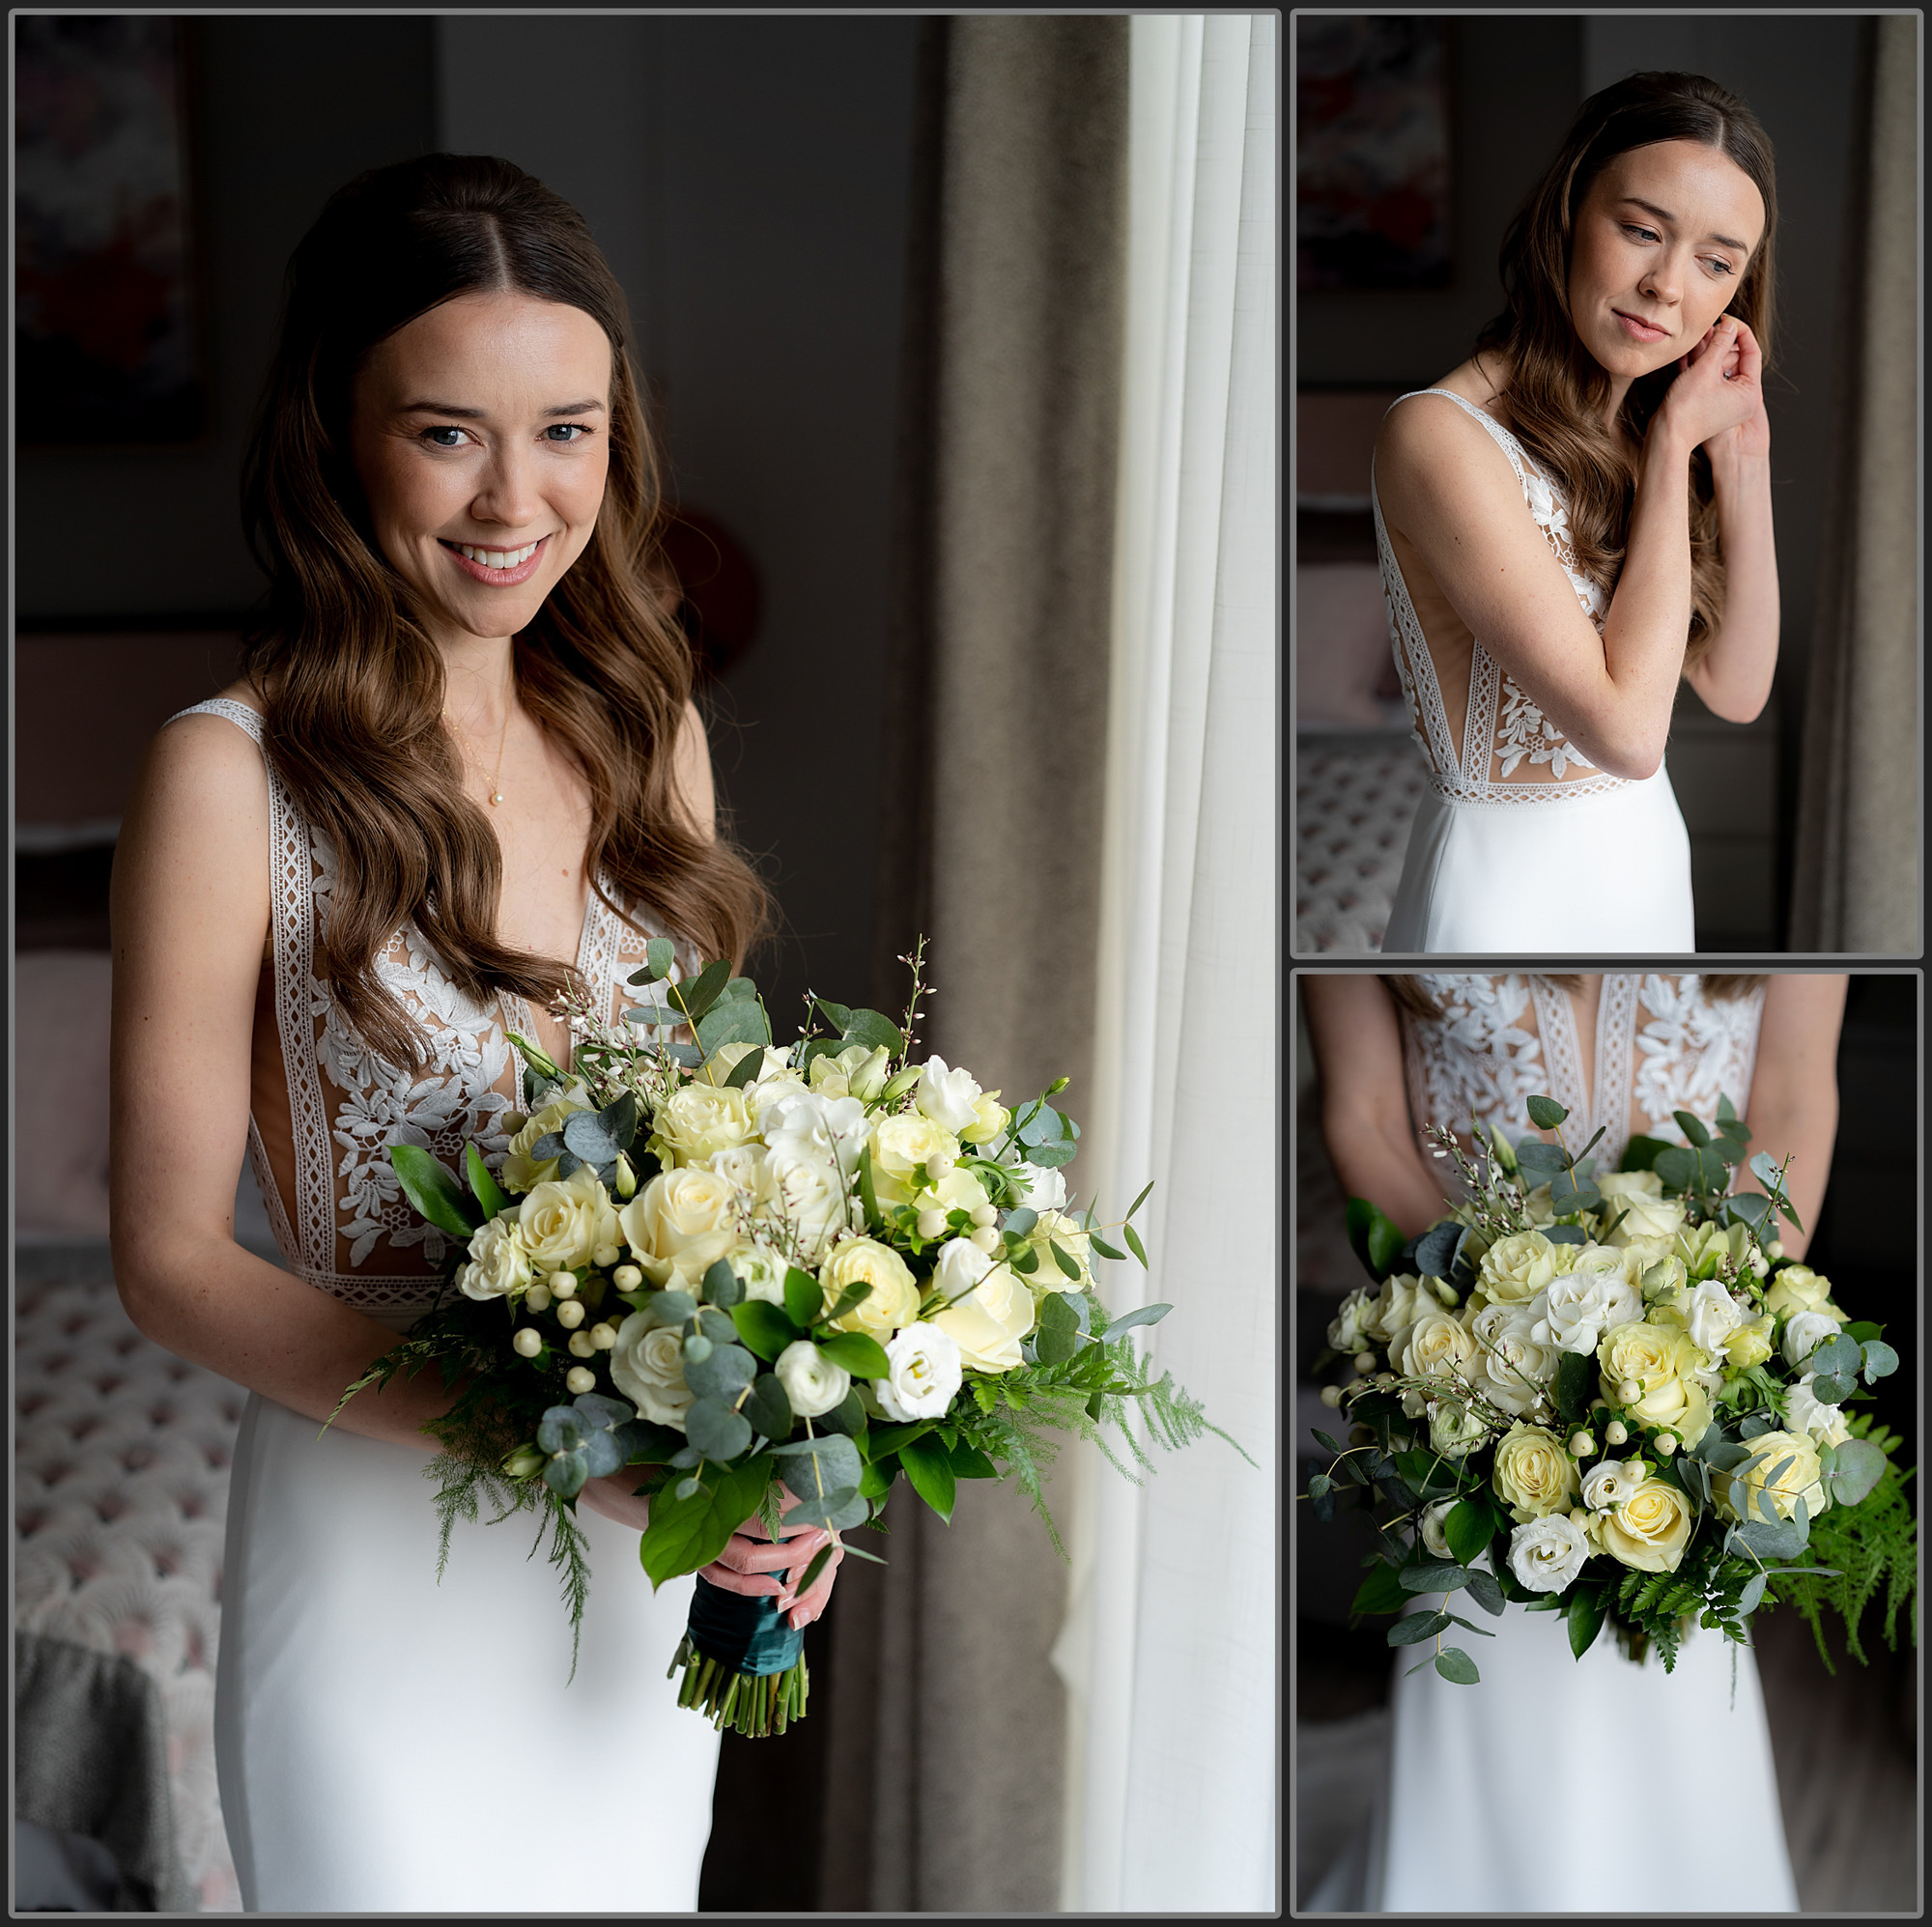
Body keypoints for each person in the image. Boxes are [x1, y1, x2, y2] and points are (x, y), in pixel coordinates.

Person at [107, 155, 843, 1913]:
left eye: (568, 431)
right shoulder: (232, 776)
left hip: (629, 1591)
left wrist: (790, 1459)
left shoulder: (645, 722)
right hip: (381, 1555)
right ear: (335, 436)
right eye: (447, 433)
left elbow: (709, 1170)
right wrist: (555, 1449)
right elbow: (163, 1261)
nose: (518, 498)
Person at [1300, 971, 1848, 1911]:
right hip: (1477, 1360)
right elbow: (1365, 1115)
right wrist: (1487, 1320)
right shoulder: (1345, 912)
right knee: (1483, 1659)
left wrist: (1714, 1322)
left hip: (1684, 1352)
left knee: (1667, 1673)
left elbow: (1791, 1093)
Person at [1371, 73, 1780, 952]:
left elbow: (1738, 689)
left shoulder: (1641, 432)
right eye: (1641, 230)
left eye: (1716, 261)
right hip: (1500, 900)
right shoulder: (1439, 436)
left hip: (1645, 870)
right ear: (1567, 214)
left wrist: (1740, 459)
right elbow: (1630, 736)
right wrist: (1675, 448)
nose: (1668, 285)